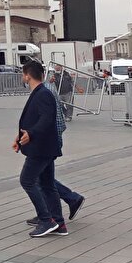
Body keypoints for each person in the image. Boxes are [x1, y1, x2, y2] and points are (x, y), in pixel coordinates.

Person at [25, 70, 85, 230]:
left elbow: (54, 120)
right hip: (46, 142)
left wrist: (47, 140)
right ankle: (59, 211)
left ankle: (52, 214)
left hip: (45, 143)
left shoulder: (46, 91)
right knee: (43, 179)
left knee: (36, 179)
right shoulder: (44, 90)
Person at [14, 61, 66, 237]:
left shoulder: (43, 93)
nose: (23, 77)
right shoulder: (40, 92)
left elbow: (46, 119)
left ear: (28, 75)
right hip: (44, 147)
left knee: (27, 180)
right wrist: (20, 138)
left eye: (23, 74)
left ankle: (46, 220)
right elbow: (35, 120)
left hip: (41, 148)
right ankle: (59, 223)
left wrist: (31, 134)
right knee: (47, 184)